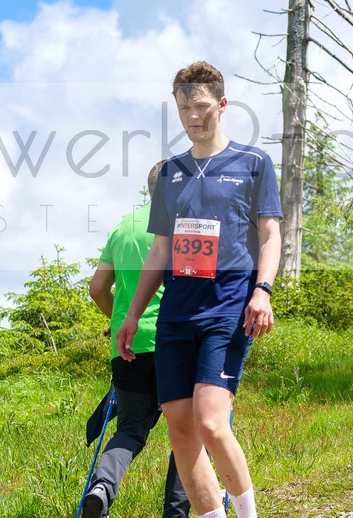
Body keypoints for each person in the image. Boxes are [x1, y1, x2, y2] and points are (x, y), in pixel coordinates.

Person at [117, 62, 282, 518]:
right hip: (175, 314)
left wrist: (263, 290)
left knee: (211, 421)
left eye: (202, 105)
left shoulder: (253, 164)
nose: (193, 114)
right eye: (184, 106)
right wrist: (133, 314)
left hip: (228, 308)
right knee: (180, 427)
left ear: (222, 105)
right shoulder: (170, 173)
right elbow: (160, 252)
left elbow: (270, 234)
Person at [82, 162, 191, 518]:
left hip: (127, 346)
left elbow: (98, 289)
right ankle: (177, 513)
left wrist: (120, 322)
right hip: (174, 344)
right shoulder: (184, 226)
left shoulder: (122, 228)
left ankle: (101, 487)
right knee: (187, 433)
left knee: (130, 427)